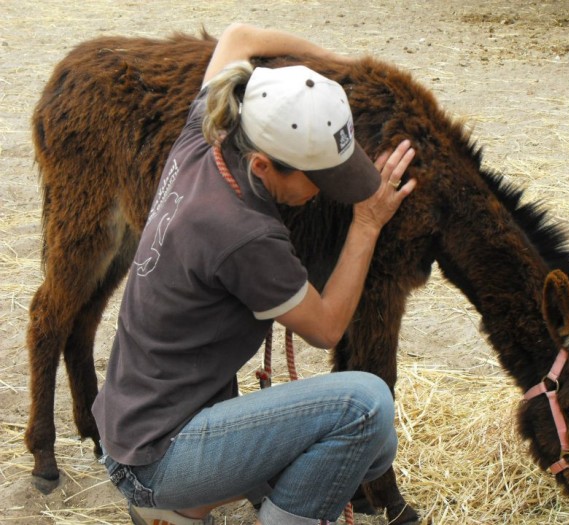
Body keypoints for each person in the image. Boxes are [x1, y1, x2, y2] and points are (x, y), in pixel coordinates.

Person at [91, 22, 416, 525]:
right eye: (319, 179)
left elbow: (240, 37)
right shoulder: (244, 233)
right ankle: (180, 502)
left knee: (376, 445)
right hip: (157, 457)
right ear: (264, 166)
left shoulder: (211, 132)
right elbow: (327, 328)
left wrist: (334, 71)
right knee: (367, 405)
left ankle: (184, 509)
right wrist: (367, 223)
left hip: (138, 419)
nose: (328, 191)